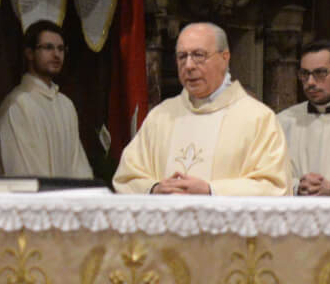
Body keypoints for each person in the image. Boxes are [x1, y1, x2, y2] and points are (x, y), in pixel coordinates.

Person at [113, 22, 290, 195]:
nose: (189, 65)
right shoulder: (161, 116)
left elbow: (274, 186)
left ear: (225, 58)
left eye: (199, 55)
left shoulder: (258, 118)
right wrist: (154, 188)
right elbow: (127, 177)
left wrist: (211, 190)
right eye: (182, 57)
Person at [0, 20, 91, 178]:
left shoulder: (66, 105)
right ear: (29, 53)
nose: (56, 54)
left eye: (61, 49)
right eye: (48, 47)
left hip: (68, 194)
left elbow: (79, 167)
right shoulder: (17, 105)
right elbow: (22, 174)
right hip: (36, 194)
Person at [276, 39, 330, 196]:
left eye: (320, 73)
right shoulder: (285, 121)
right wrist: (297, 187)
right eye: (305, 74)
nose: (310, 82)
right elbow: (270, 173)